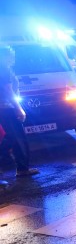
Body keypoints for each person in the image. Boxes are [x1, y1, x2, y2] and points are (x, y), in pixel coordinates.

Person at [0, 45, 39, 177]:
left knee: (12, 138)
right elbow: (8, 90)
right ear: (4, 56)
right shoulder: (4, 69)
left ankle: (22, 168)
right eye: (10, 55)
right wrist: (19, 108)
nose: (13, 58)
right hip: (7, 108)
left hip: (4, 108)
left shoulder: (5, 68)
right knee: (17, 138)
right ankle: (22, 169)